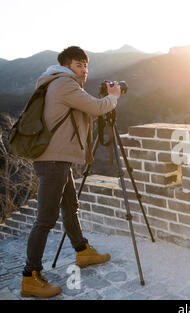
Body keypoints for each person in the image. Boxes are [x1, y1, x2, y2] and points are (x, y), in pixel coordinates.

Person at [21, 46, 122, 298]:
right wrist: (114, 96)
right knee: (45, 219)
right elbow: (98, 108)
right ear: (66, 66)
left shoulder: (56, 82)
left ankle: (82, 251)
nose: (84, 70)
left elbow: (84, 110)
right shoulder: (63, 84)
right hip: (53, 161)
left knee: (70, 206)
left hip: (58, 160)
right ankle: (30, 276)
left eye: (86, 65)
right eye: (79, 65)